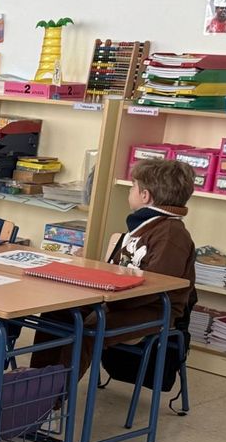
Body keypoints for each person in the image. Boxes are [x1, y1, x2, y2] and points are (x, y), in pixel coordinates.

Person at [33, 158, 196, 376]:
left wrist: (111, 302)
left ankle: (56, 391)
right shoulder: (145, 225)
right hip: (120, 299)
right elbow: (118, 270)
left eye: (133, 186)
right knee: (57, 312)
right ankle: (35, 380)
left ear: (145, 195)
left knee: (91, 328)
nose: (130, 191)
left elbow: (157, 287)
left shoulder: (171, 234)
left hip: (151, 309)